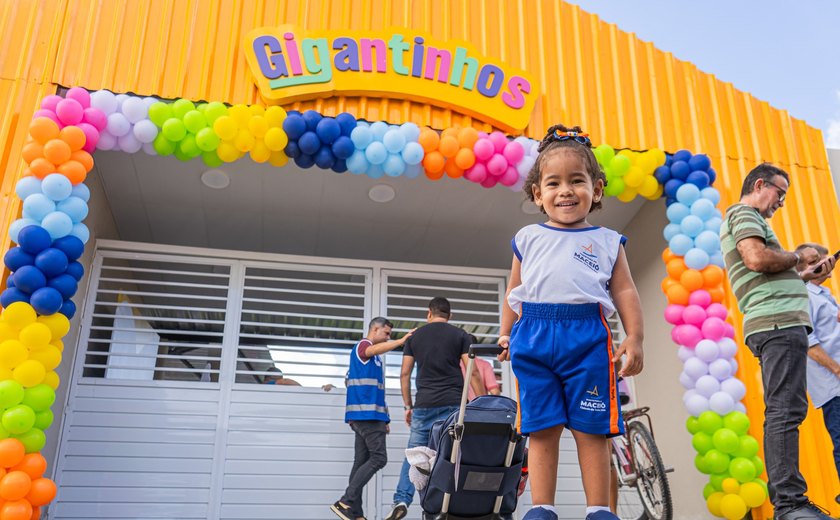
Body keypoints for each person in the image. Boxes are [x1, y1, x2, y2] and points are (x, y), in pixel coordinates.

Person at [497, 124, 644, 520]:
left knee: (591, 428)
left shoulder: (608, 240)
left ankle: (599, 510)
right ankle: (542, 508)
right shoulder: (527, 237)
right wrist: (506, 334)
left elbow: (626, 291)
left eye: (576, 181)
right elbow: (516, 292)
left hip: (587, 339)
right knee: (541, 428)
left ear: (596, 190)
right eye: (553, 183)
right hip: (534, 337)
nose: (565, 190)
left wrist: (634, 337)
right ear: (537, 193)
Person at [719, 163, 836, 520]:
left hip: (776, 323)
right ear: (759, 185)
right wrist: (799, 257)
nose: (781, 203)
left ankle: (790, 502)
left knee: (787, 410)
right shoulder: (744, 212)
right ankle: (790, 504)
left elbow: (769, 271)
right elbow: (756, 259)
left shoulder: (747, 219)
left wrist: (802, 274)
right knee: (785, 411)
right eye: (780, 194)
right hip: (777, 324)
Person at [384, 297, 485, 520]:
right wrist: (482, 402)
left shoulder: (415, 336)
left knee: (415, 455)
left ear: (429, 313)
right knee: (454, 453)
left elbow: (404, 373)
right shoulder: (461, 335)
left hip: (424, 404)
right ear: (450, 315)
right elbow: (473, 372)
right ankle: (453, 501)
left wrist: (408, 405)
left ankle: (401, 499)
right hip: (453, 404)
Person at [330, 317, 414, 520]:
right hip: (365, 415)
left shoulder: (375, 361)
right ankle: (346, 501)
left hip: (368, 416)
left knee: (361, 461)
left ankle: (354, 513)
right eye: (386, 333)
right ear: (375, 329)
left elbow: (375, 391)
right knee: (379, 458)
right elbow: (370, 351)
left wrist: (385, 418)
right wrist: (401, 341)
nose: (388, 338)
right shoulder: (364, 347)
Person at [796, 243, 840, 506]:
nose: (823, 262)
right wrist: (837, 369)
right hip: (833, 385)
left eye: (822, 257)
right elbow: (809, 343)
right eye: (815, 260)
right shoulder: (803, 295)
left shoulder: (823, 293)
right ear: (802, 270)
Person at [460, 335, 501, 400]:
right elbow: (494, 392)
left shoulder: (455, 364)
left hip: (457, 407)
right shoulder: (485, 365)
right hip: (478, 406)